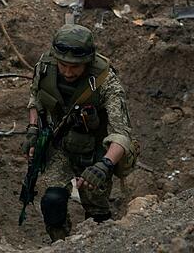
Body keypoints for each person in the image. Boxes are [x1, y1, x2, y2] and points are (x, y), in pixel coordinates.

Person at [22, 24, 138, 241]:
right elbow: (35, 99)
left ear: (88, 61)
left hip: (94, 151)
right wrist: (33, 129)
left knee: (97, 214)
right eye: (63, 65)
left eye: (75, 67)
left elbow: (122, 133)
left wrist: (105, 165)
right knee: (52, 202)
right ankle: (61, 244)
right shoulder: (45, 67)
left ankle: (98, 244)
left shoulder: (106, 82)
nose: (67, 72)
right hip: (60, 147)